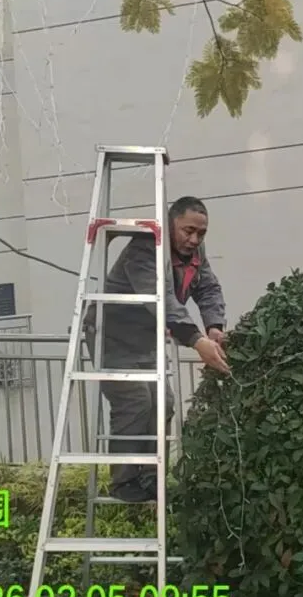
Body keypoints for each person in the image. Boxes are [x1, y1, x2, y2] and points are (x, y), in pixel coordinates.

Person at [83, 196, 229, 503]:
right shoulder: (145, 248)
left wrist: (214, 326)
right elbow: (161, 299)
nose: (194, 239)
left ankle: (152, 478)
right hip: (111, 335)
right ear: (172, 223)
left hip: (146, 338)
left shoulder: (195, 252)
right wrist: (196, 339)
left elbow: (208, 287)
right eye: (188, 231)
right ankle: (124, 482)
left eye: (201, 233)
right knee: (135, 400)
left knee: (163, 403)